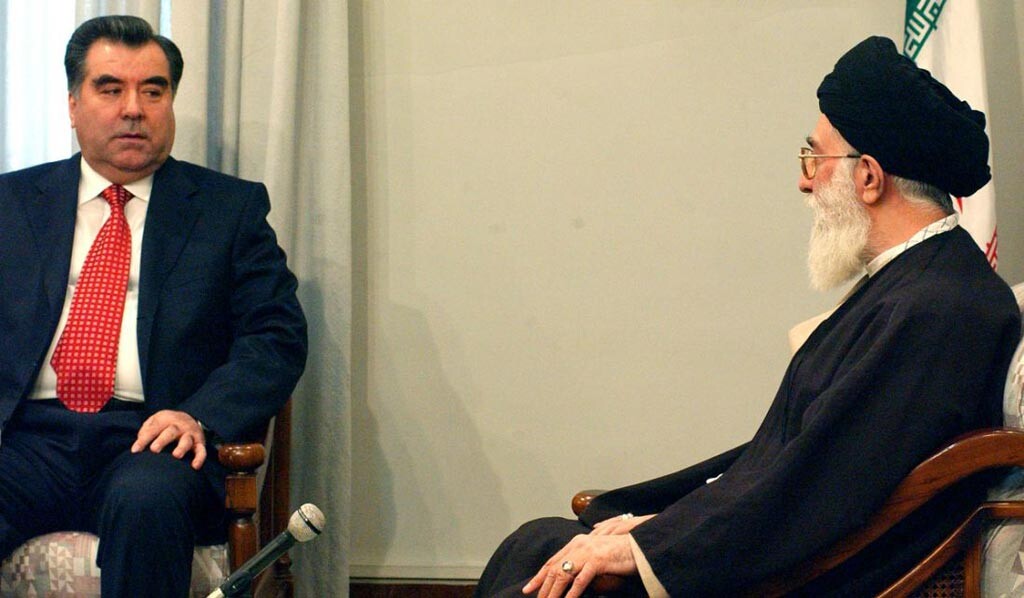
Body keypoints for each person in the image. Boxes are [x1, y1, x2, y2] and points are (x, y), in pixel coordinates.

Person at [474, 36, 1021, 598]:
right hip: (787, 549)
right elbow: (794, 462)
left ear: (868, 178)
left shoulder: (940, 309)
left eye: (814, 158)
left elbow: (819, 485)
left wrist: (648, 548)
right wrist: (658, 523)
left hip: (816, 578)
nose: (804, 180)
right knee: (537, 543)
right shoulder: (916, 281)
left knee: (560, 574)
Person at [0, 15, 307, 598]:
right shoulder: (11, 204)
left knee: (147, 499)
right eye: (110, 89)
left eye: (153, 91)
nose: (133, 109)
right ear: (73, 105)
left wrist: (199, 415)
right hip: (26, 439)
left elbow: (276, 335)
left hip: (153, 440)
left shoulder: (227, 210)